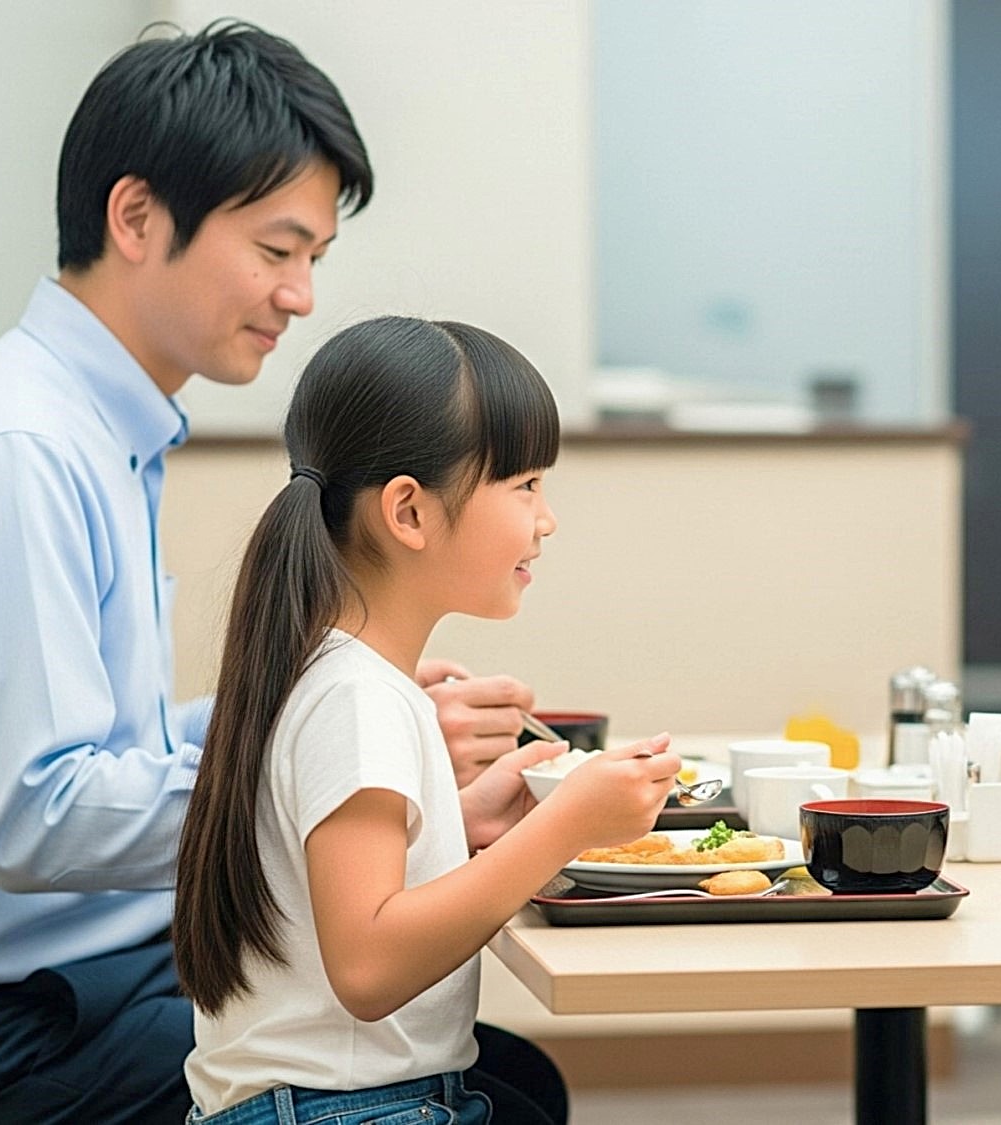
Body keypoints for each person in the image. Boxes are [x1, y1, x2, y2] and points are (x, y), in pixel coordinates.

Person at [0, 21, 560, 1123]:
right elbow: (33, 817)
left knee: (504, 1078)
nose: (299, 295)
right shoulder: (21, 448)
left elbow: (115, 747)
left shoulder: (107, 432)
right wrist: (336, 775)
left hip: (109, 962)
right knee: (493, 1090)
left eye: (315, 261)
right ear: (136, 217)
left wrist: (336, 724)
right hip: (27, 1016)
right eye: (276, 250)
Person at [174, 315, 683, 1124]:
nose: (545, 519)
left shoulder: (335, 672)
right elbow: (369, 966)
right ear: (408, 513)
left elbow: (344, 891)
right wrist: (560, 830)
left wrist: (468, 821)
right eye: (524, 486)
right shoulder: (357, 697)